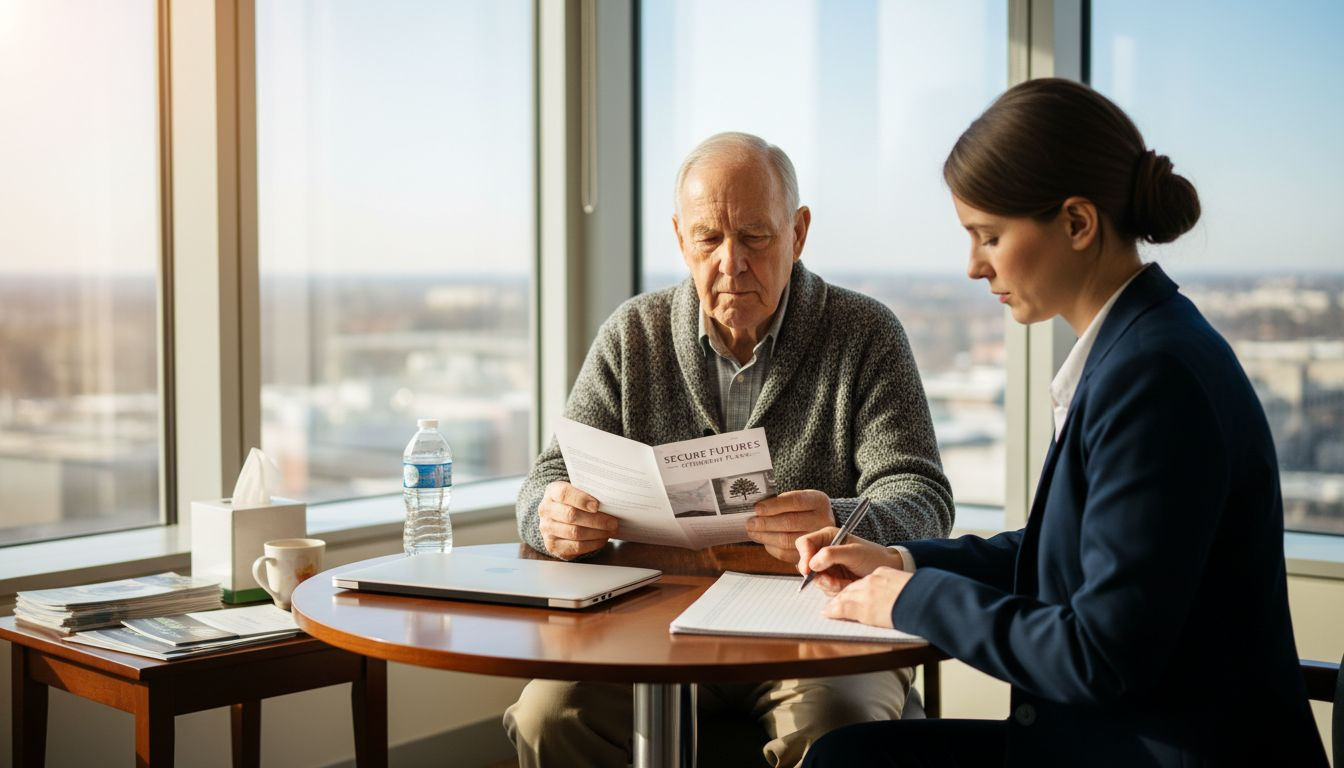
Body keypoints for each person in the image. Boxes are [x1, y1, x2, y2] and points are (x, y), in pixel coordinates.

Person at [795, 78, 1328, 768]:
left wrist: (913, 599)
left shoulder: (1152, 379)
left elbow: (1098, 655)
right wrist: (902, 560)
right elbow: (1061, 556)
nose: (972, 266)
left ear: (1078, 223)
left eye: (989, 235)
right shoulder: (1142, 348)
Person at [504, 132, 955, 768]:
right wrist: (552, 516)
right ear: (680, 238)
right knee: (549, 716)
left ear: (797, 234)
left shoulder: (865, 333)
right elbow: (546, 477)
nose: (731, 262)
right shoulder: (632, 335)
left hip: (821, 623)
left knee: (837, 723)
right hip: (653, 623)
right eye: (708, 238)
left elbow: (922, 495)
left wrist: (841, 520)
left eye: (755, 237)